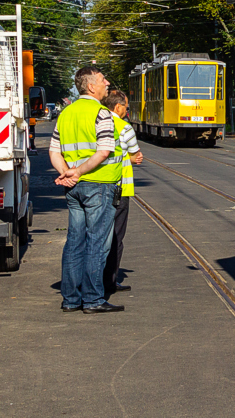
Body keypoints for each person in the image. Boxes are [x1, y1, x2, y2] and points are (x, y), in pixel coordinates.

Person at [48, 66, 124, 314]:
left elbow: (54, 151)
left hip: (74, 188)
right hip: (98, 185)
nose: (107, 83)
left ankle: (70, 299)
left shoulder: (66, 114)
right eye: (103, 80)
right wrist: (79, 171)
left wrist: (66, 173)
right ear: (91, 86)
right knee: (97, 243)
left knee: (74, 242)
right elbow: (103, 151)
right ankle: (92, 299)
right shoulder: (101, 114)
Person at [101, 89, 143, 296]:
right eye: (126, 106)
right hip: (119, 188)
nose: (128, 110)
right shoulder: (123, 127)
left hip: (95, 185)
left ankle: (91, 279)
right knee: (116, 235)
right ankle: (109, 280)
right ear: (118, 107)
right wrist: (131, 158)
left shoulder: (96, 122)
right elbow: (136, 156)